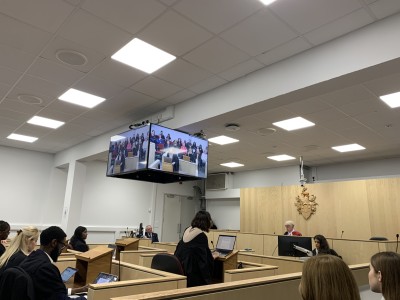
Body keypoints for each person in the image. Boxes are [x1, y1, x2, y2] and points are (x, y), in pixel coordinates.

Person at [19, 226, 87, 299]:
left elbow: (51, 291)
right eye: (63, 246)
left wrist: (79, 290)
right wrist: (87, 297)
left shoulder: (30, 258)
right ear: (54, 243)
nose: (62, 250)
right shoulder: (46, 268)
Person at [174, 210, 219, 287]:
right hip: (192, 274)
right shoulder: (201, 236)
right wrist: (213, 256)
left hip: (181, 269)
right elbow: (204, 260)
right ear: (206, 222)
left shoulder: (187, 230)